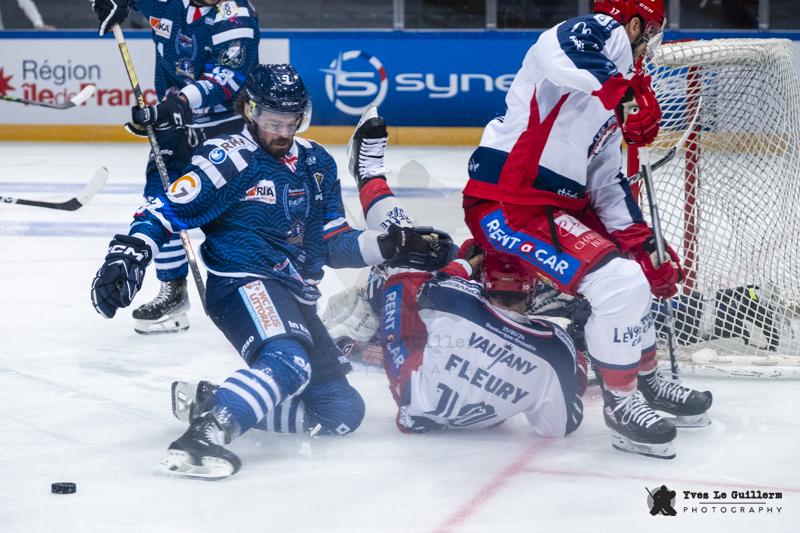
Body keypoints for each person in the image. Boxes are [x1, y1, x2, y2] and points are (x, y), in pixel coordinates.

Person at [89, 64, 453, 479]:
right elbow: (165, 209)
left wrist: (391, 245)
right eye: (271, 121)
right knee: (288, 360)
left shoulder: (316, 163)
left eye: (290, 121)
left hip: (294, 294)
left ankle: (217, 402)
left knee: (340, 411)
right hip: (241, 283)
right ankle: (204, 437)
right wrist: (129, 253)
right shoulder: (228, 157)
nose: (281, 131)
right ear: (249, 111)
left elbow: (333, 242)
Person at [178, 107, 587, 439]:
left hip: (411, 358)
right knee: (345, 404)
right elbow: (562, 420)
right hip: (427, 387)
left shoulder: (458, 301)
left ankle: (369, 175)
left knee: (410, 249)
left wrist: (460, 262)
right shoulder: (549, 349)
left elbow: (438, 293)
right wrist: (578, 354)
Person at [460, 0, 712, 459]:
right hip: (508, 201)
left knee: (636, 269)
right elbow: (559, 49)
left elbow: (606, 183)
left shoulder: (610, 91)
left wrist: (642, 243)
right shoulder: (604, 35)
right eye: (652, 32)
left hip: (551, 203)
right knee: (619, 282)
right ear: (634, 23)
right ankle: (621, 403)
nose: (652, 45)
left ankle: (646, 378)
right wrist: (627, 95)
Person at [90, 0, 260, 334]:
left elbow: (227, 78)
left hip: (226, 127)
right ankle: (173, 290)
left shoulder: (237, 14)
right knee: (159, 201)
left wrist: (177, 103)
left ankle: (250, 288)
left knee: (235, 214)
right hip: (174, 126)